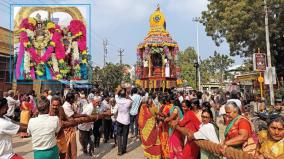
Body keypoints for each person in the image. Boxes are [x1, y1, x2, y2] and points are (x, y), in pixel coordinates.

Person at [116, 88, 132, 155]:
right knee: (125, 135)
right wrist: (127, 95)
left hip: (119, 119)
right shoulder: (129, 101)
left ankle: (119, 150)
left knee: (119, 135)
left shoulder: (117, 100)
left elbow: (116, 94)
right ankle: (124, 149)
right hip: (126, 120)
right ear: (125, 95)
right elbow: (131, 101)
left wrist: (120, 91)